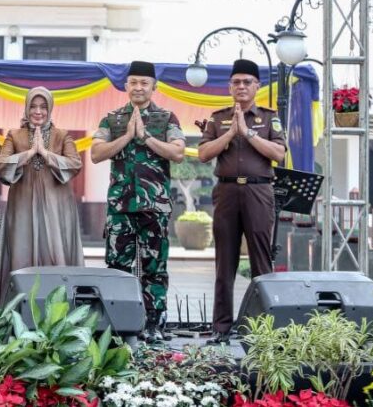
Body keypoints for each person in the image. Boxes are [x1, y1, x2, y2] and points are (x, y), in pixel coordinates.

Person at [90, 60, 185, 344]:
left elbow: (177, 153)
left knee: (154, 267)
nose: (139, 87)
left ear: (154, 87)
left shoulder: (167, 118)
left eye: (144, 83)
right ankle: (119, 324)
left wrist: (145, 137)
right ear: (126, 85)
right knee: (118, 267)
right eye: (134, 82)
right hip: (120, 207)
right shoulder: (112, 119)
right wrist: (128, 136)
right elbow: (96, 153)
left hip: (154, 207)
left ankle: (154, 323)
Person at [197, 59, 286, 345]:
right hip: (226, 193)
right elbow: (203, 154)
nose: (242, 86)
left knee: (261, 261)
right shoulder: (217, 117)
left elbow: (279, 154)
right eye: (236, 82)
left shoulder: (270, 117)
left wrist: (247, 133)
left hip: (259, 193)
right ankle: (221, 328)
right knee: (224, 263)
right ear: (230, 87)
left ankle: (264, 329)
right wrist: (230, 133)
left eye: (247, 82)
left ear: (257, 86)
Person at [0, 86, 83, 306]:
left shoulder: (62, 136)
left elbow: (75, 164)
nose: (38, 111)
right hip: (22, 202)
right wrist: (30, 153)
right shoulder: (15, 135)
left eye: (43, 106)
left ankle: (58, 310)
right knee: (21, 253)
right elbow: (0, 163)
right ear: (26, 108)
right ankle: (17, 310)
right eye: (33, 106)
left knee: (55, 252)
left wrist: (46, 154)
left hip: (56, 205)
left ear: (50, 108)